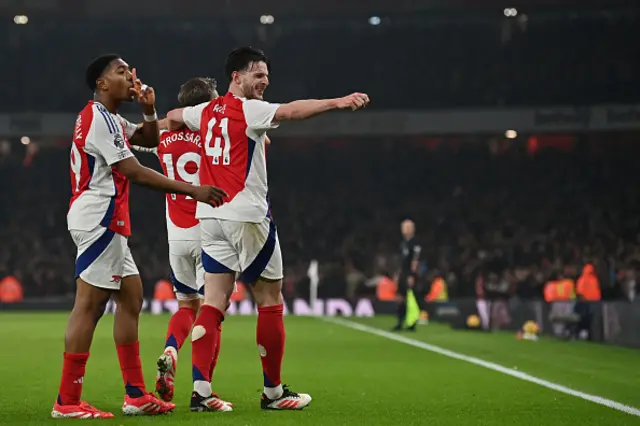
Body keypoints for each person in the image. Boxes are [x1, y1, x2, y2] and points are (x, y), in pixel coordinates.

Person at [166, 46, 369, 412]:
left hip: (209, 218)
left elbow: (174, 114)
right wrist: (338, 101)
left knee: (212, 304)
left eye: (266, 75)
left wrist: (155, 126)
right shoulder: (249, 110)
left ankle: (201, 392)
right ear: (236, 77)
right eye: (257, 74)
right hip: (246, 216)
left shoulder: (203, 112)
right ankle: (274, 393)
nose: (264, 81)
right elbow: (293, 111)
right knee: (270, 302)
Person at [53, 54, 227, 419]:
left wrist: (149, 110)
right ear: (102, 83)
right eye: (120, 72)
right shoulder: (97, 118)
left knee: (131, 296)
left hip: (109, 218)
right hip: (98, 216)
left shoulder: (111, 118)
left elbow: (148, 136)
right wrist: (190, 190)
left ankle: (135, 394)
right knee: (89, 305)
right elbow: (131, 169)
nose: (130, 77)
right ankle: (67, 401)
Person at [132, 77, 232, 411]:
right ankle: (204, 390)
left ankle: (171, 350)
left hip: (176, 233)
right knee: (213, 310)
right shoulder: (214, 131)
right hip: (210, 230)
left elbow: (133, 138)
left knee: (187, 306)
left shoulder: (162, 138)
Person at [393, 219, 422, 331]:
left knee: (410, 298)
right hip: (403, 273)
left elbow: (415, 259)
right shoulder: (403, 242)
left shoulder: (415, 242)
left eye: (405, 227)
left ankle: (411, 323)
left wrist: (412, 275)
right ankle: (400, 322)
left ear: (411, 229)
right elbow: (401, 260)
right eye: (403, 227)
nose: (403, 229)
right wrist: (397, 274)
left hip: (409, 274)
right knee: (399, 298)